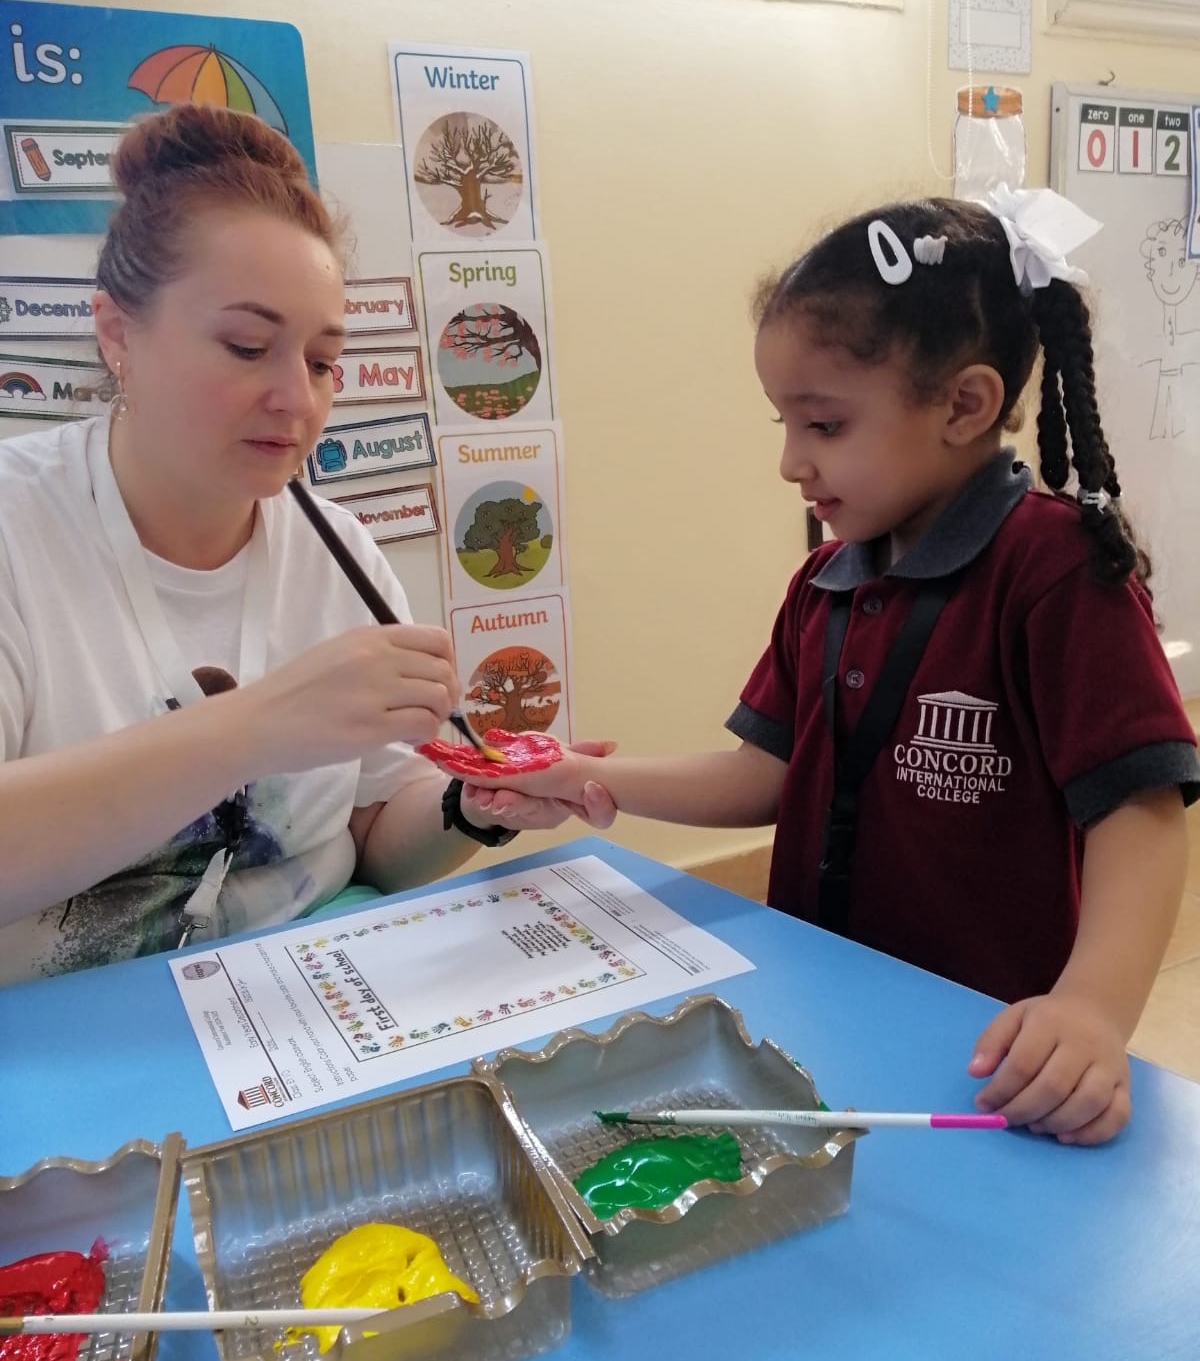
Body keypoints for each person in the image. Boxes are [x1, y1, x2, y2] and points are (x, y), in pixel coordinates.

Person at [461, 190, 1200, 1147]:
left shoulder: (1055, 570)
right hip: (827, 1010)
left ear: (964, 405)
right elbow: (765, 773)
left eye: (823, 425)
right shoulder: (825, 583)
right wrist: (579, 775)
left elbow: (1140, 812)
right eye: (783, 422)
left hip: (989, 1055)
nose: (789, 462)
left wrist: (1092, 1007)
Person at [0, 103, 608, 986]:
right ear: (117, 333)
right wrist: (255, 726)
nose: (298, 399)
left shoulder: (339, 551)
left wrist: (472, 802)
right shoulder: (20, 528)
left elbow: (372, 838)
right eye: (248, 346)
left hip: (308, 1010)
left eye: (322, 361)